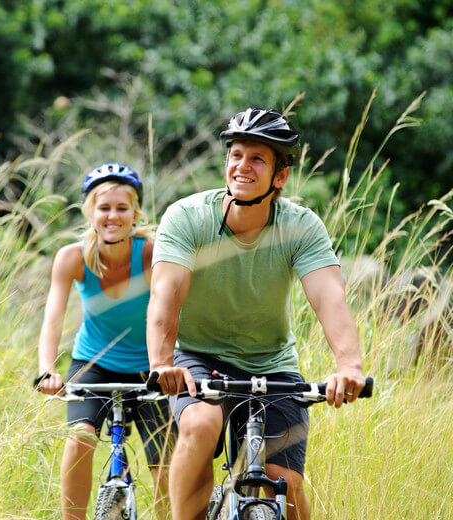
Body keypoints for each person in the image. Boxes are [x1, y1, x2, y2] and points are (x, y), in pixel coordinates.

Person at [146, 108, 366, 520]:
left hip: (271, 365)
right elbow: (165, 296)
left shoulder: (301, 226)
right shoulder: (187, 217)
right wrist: (161, 362)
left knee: (287, 483)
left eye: (257, 159)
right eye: (236, 155)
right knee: (199, 425)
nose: (241, 165)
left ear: (279, 177)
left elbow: (329, 297)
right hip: (199, 358)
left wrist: (348, 365)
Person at [35, 163, 173, 520]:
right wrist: (46, 371)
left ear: (135, 213)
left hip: (150, 367)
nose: (113, 216)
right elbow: (52, 319)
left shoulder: (152, 253)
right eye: (104, 207)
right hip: (93, 364)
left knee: (165, 460)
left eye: (122, 208)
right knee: (80, 438)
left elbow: (175, 309)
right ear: (90, 212)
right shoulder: (72, 257)